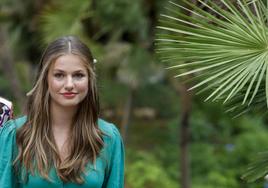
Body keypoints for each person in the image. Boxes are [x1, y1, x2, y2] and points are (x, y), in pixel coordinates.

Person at [0, 36, 125, 188]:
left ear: (90, 79)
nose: (69, 84)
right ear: (45, 78)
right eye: (59, 75)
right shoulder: (16, 134)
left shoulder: (108, 137)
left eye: (78, 75)